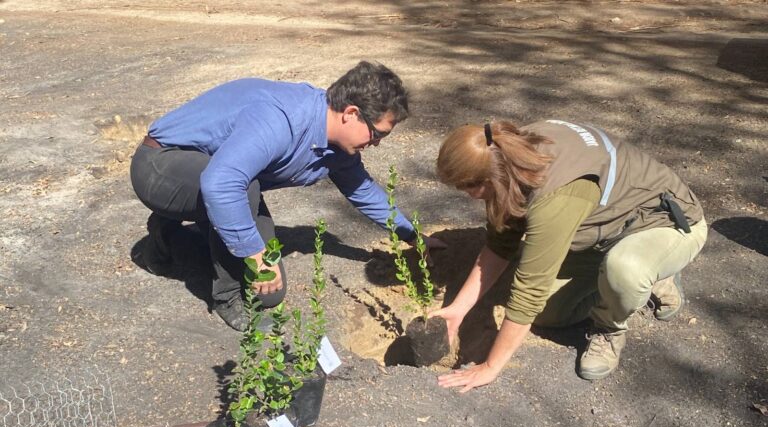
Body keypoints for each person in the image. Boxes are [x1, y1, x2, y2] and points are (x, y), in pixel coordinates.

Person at [130, 61, 445, 331]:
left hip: (214, 177)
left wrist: (411, 234)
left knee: (268, 295)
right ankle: (223, 294)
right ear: (351, 113)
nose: (376, 144)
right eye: (377, 134)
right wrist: (253, 254)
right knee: (241, 195)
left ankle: (178, 231)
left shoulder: (335, 144)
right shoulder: (282, 120)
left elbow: (362, 190)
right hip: (160, 165)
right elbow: (222, 183)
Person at [431, 120, 707, 391]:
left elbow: (530, 291)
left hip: (667, 224)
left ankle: (616, 320)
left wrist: (490, 367)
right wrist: (458, 309)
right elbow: (500, 245)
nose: (466, 196)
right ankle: (627, 278)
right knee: (549, 316)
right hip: (605, 230)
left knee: (625, 269)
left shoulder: (555, 195)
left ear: (491, 178)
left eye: (466, 188)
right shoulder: (506, 152)